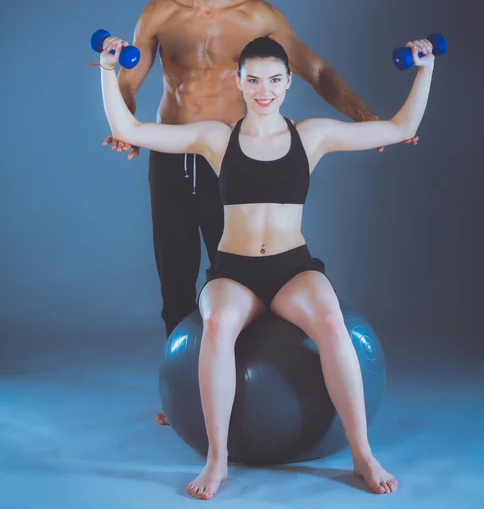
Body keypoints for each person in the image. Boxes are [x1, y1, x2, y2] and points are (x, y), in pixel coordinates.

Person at [103, 0, 418, 427]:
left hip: (227, 159)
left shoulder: (257, 15)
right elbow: (130, 82)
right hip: (174, 150)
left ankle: (251, 387)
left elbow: (314, 70)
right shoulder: (161, 13)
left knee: (232, 272)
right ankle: (181, 388)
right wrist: (124, 122)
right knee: (174, 274)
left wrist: (363, 115)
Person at [97, 32, 435, 499]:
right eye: (253, 80)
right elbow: (131, 130)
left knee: (334, 324)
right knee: (216, 327)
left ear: (289, 81)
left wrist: (426, 68)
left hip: (292, 268)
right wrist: (108, 71)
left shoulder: (312, 135)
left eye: (274, 80)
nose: (264, 91)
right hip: (234, 270)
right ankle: (218, 459)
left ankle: (362, 453)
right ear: (238, 81)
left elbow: (400, 127)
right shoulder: (215, 137)